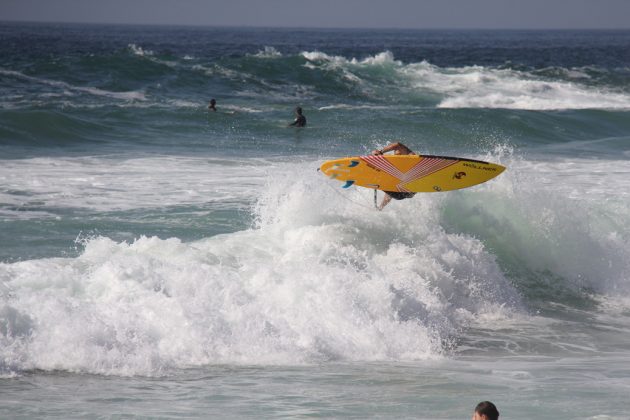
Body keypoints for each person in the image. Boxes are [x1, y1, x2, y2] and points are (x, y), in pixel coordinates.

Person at [371, 141, 416, 210]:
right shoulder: (396, 169)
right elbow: (390, 192)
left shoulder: (412, 156)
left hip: (410, 191)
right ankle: (380, 208)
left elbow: (397, 144)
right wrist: (381, 206)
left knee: (385, 180)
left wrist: (380, 152)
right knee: (386, 180)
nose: (396, 155)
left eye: (398, 152)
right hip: (399, 194)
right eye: (395, 154)